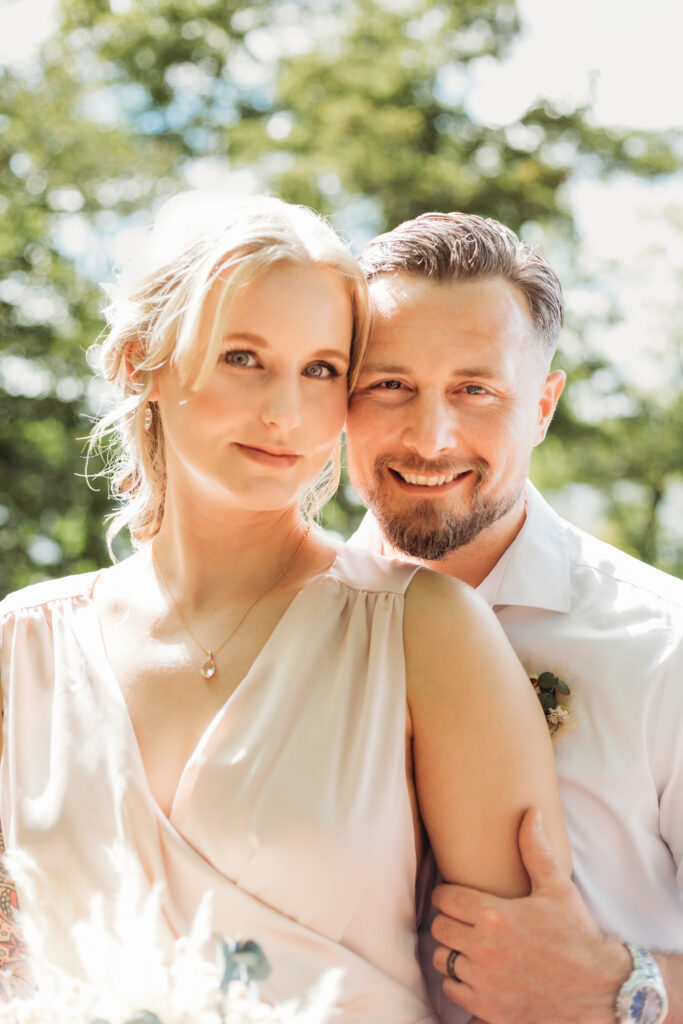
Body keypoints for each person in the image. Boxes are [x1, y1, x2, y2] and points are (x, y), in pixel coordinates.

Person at [0, 193, 569, 1020]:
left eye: (321, 371)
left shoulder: (423, 629)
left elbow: (523, 993)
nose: (285, 412)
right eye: (242, 358)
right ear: (139, 362)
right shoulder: (23, 644)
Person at [345, 210, 683, 1024]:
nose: (431, 436)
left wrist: (623, 989)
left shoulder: (664, 648)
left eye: (475, 389)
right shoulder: (276, 630)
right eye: (390, 384)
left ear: (541, 405)